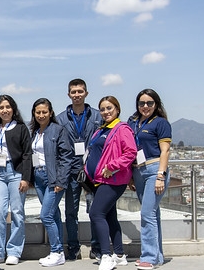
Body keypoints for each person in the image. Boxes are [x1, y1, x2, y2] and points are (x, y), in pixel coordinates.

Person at [86, 96, 136, 270]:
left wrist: (112, 166)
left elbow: (130, 152)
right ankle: (120, 254)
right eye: (102, 109)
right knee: (109, 216)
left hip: (113, 180)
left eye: (109, 108)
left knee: (96, 214)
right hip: (99, 180)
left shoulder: (122, 129)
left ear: (117, 109)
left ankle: (106, 255)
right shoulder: (101, 129)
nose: (106, 112)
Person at [56, 78, 103, 260]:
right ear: (68, 94)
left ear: (86, 93)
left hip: (93, 170)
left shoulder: (98, 116)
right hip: (71, 170)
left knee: (95, 210)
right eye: (73, 92)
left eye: (80, 91)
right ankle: (73, 247)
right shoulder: (60, 119)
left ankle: (96, 247)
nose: (77, 95)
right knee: (70, 211)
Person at [127, 89, 172, 270]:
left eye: (150, 103)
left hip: (154, 169)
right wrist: (130, 175)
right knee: (153, 214)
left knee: (147, 214)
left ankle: (149, 257)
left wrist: (160, 176)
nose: (145, 106)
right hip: (138, 171)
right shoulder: (133, 122)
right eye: (142, 103)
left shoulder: (161, 123)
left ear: (156, 104)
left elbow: (165, 151)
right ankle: (157, 256)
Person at [0, 95, 32, 266]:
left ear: (13, 109)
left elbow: (27, 154)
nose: (5, 110)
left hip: (16, 173)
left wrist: (26, 178)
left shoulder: (20, 128)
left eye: (8, 107)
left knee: (17, 212)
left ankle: (14, 250)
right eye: (1, 108)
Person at [29, 98, 72, 267]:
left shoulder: (58, 130)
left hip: (53, 177)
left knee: (45, 215)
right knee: (54, 215)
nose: (41, 115)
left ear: (50, 113)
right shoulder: (34, 131)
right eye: (38, 112)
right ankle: (58, 251)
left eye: (44, 112)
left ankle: (57, 251)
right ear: (34, 113)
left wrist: (61, 180)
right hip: (38, 177)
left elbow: (66, 157)